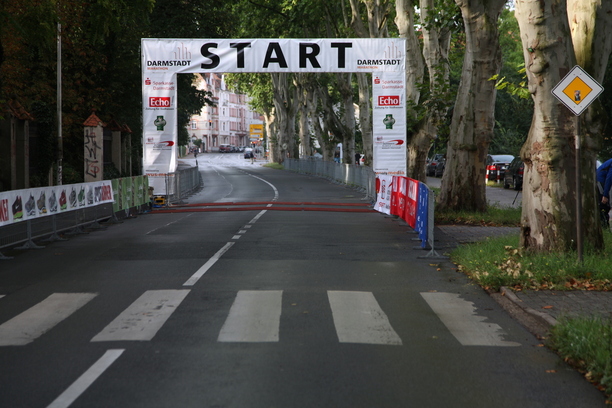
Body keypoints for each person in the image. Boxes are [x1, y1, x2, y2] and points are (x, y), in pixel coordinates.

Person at [596, 158, 612, 227]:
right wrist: (605, 195)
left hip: (603, 180)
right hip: (600, 180)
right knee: (604, 203)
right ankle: (604, 225)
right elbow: (609, 179)